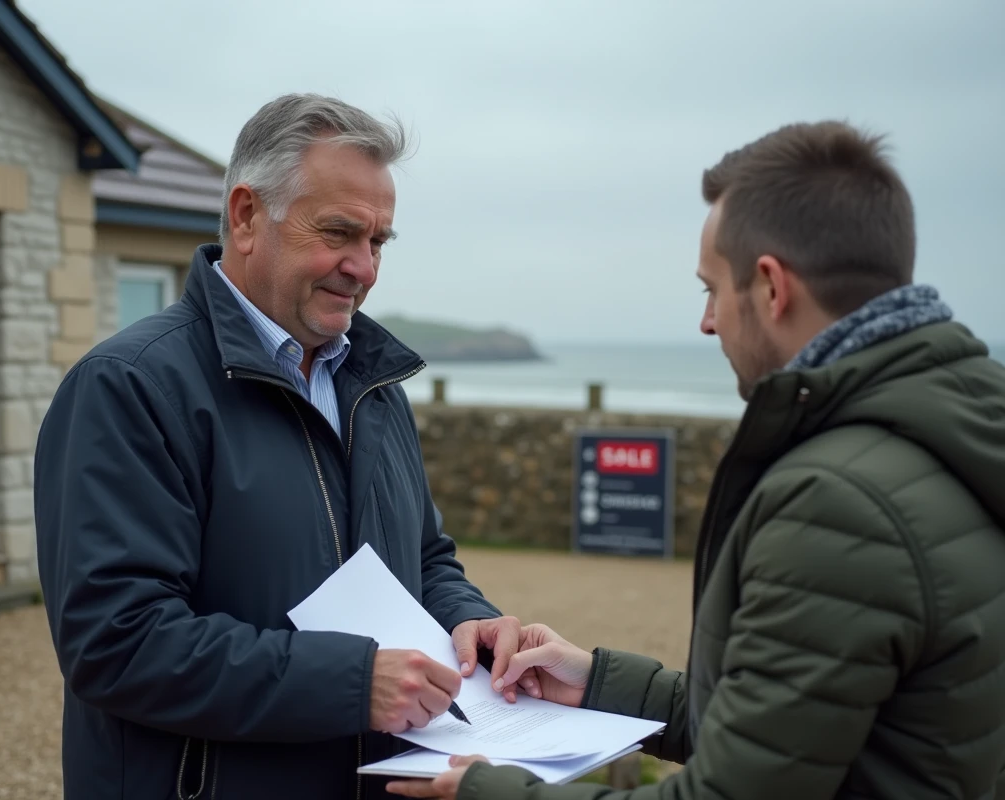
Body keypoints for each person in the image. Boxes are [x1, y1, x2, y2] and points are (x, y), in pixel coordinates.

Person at [386, 121, 1005, 799]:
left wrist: (486, 792)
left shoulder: (841, 499)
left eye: (711, 289)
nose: (707, 323)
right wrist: (596, 681)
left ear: (771, 287)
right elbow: (793, 733)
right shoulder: (955, 432)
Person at [32, 93, 525, 800]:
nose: (364, 268)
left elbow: (422, 558)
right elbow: (117, 641)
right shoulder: (128, 386)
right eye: (338, 233)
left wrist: (467, 619)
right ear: (245, 216)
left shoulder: (375, 386)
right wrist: (354, 684)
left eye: (378, 241)